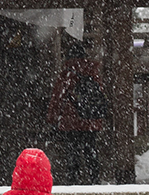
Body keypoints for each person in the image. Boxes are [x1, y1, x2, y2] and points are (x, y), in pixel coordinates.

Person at [46, 43, 109, 184]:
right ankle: (94, 179)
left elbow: (58, 98)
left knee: (72, 153)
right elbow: (100, 96)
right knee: (90, 151)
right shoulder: (93, 72)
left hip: (71, 121)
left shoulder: (67, 74)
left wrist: (52, 118)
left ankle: (73, 181)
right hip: (90, 120)